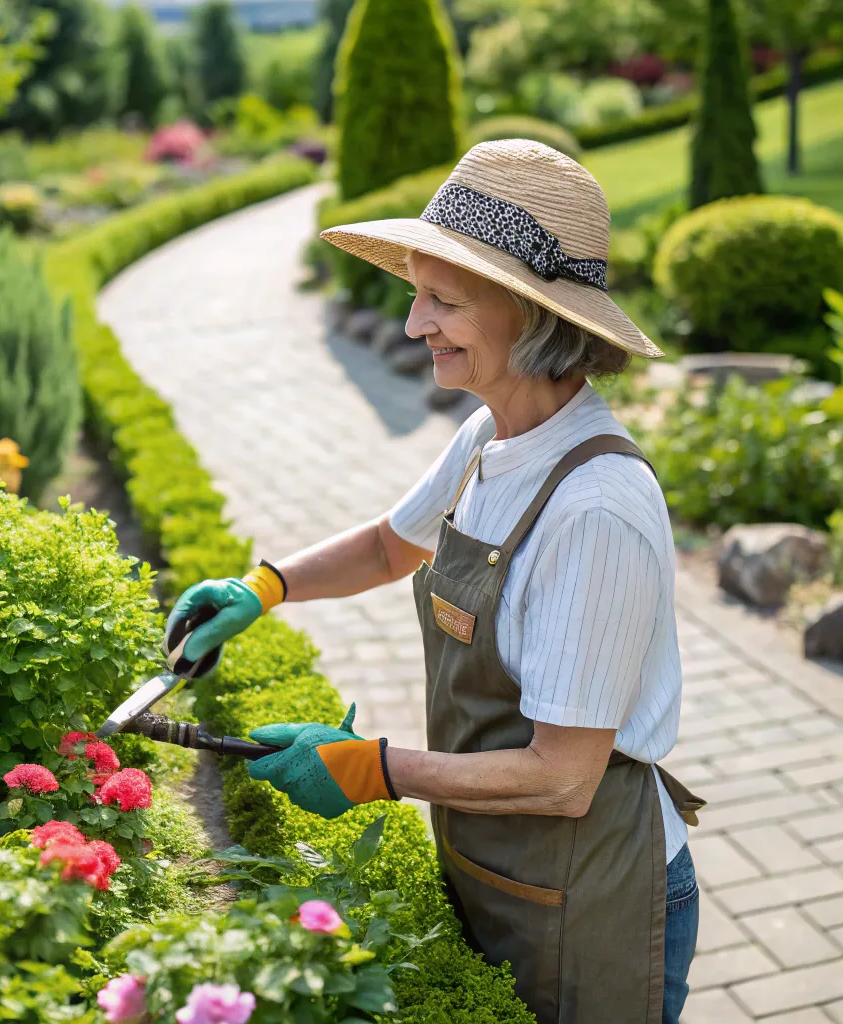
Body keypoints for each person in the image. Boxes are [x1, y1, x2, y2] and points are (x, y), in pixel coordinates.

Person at [168, 140, 704, 1024]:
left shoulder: (597, 508)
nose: (416, 325)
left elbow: (565, 777)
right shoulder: (491, 439)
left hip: (592, 888)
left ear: (535, 318)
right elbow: (388, 545)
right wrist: (262, 587)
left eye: (444, 301)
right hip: (503, 860)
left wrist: (374, 769)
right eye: (416, 295)